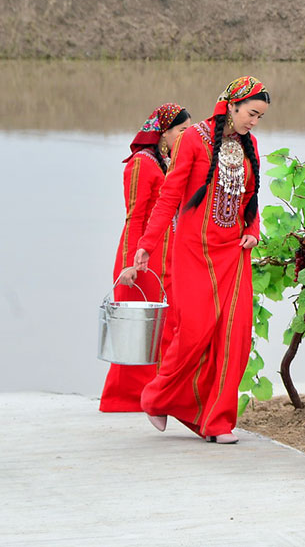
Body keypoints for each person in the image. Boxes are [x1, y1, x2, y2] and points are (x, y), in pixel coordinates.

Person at [130, 76, 270, 444]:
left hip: (235, 254)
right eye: (251, 113)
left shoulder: (249, 145)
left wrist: (253, 230)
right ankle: (157, 396)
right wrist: (147, 243)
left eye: (259, 117)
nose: (254, 122)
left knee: (234, 338)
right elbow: (169, 196)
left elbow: (251, 200)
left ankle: (217, 421)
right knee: (194, 332)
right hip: (194, 251)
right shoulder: (194, 139)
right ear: (232, 105)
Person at [100, 103, 192, 412]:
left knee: (164, 329)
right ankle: (123, 400)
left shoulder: (165, 162)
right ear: (164, 132)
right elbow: (134, 217)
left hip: (166, 260)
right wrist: (129, 263)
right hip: (142, 262)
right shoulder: (140, 164)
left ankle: (154, 396)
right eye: (181, 131)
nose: (186, 136)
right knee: (139, 332)